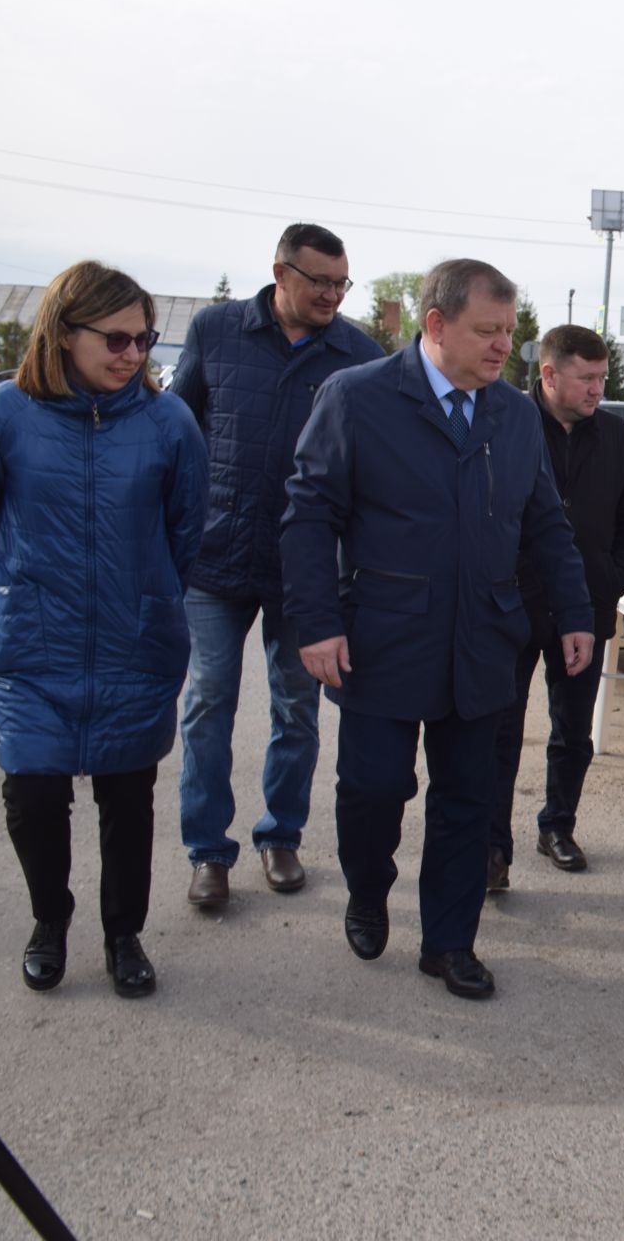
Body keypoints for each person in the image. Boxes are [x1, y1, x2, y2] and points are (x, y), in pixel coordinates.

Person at [281, 259, 593, 1001]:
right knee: (372, 787)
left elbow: (546, 524)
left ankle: (449, 943)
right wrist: (317, 623)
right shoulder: (358, 398)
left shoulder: (513, 415)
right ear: (435, 325)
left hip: (483, 637)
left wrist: (576, 613)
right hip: (384, 635)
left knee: (468, 799)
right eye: (485, 331)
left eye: (507, 333)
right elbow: (308, 514)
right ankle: (367, 888)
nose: (500, 348)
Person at [0, 262, 207, 998]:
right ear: (64, 332)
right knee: (34, 797)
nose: (133, 355)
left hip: (133, 641)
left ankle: (123, 934)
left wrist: (147, 597)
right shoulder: (2, 415)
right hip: (30, 644)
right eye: (116, 339)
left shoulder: (168, 422)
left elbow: (186, 532)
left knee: (127, 796)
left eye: (145, 340)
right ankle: (50, 920)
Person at [171, 223, 383, 908]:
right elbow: (177, 431)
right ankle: (208, 851)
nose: (331, 294)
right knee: (208, 702)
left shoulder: (358, 354)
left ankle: (280, 835)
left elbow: (368, 469)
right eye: (319, 281)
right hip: (216, 557)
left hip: (307, 571)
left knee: (297, 708)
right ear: (279, 272)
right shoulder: (216, 330)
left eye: (340, 282)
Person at [488, 324, 624, 889]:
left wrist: (615, 574)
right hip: (512, 604)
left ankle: (557, 825)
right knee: (500, 728)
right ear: (549, 374)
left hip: (586, 606)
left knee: (573, 730)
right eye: (586, 378)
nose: (597, 389)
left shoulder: (615, 436)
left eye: (603, 378)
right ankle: (492, 844)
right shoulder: (507, 423)